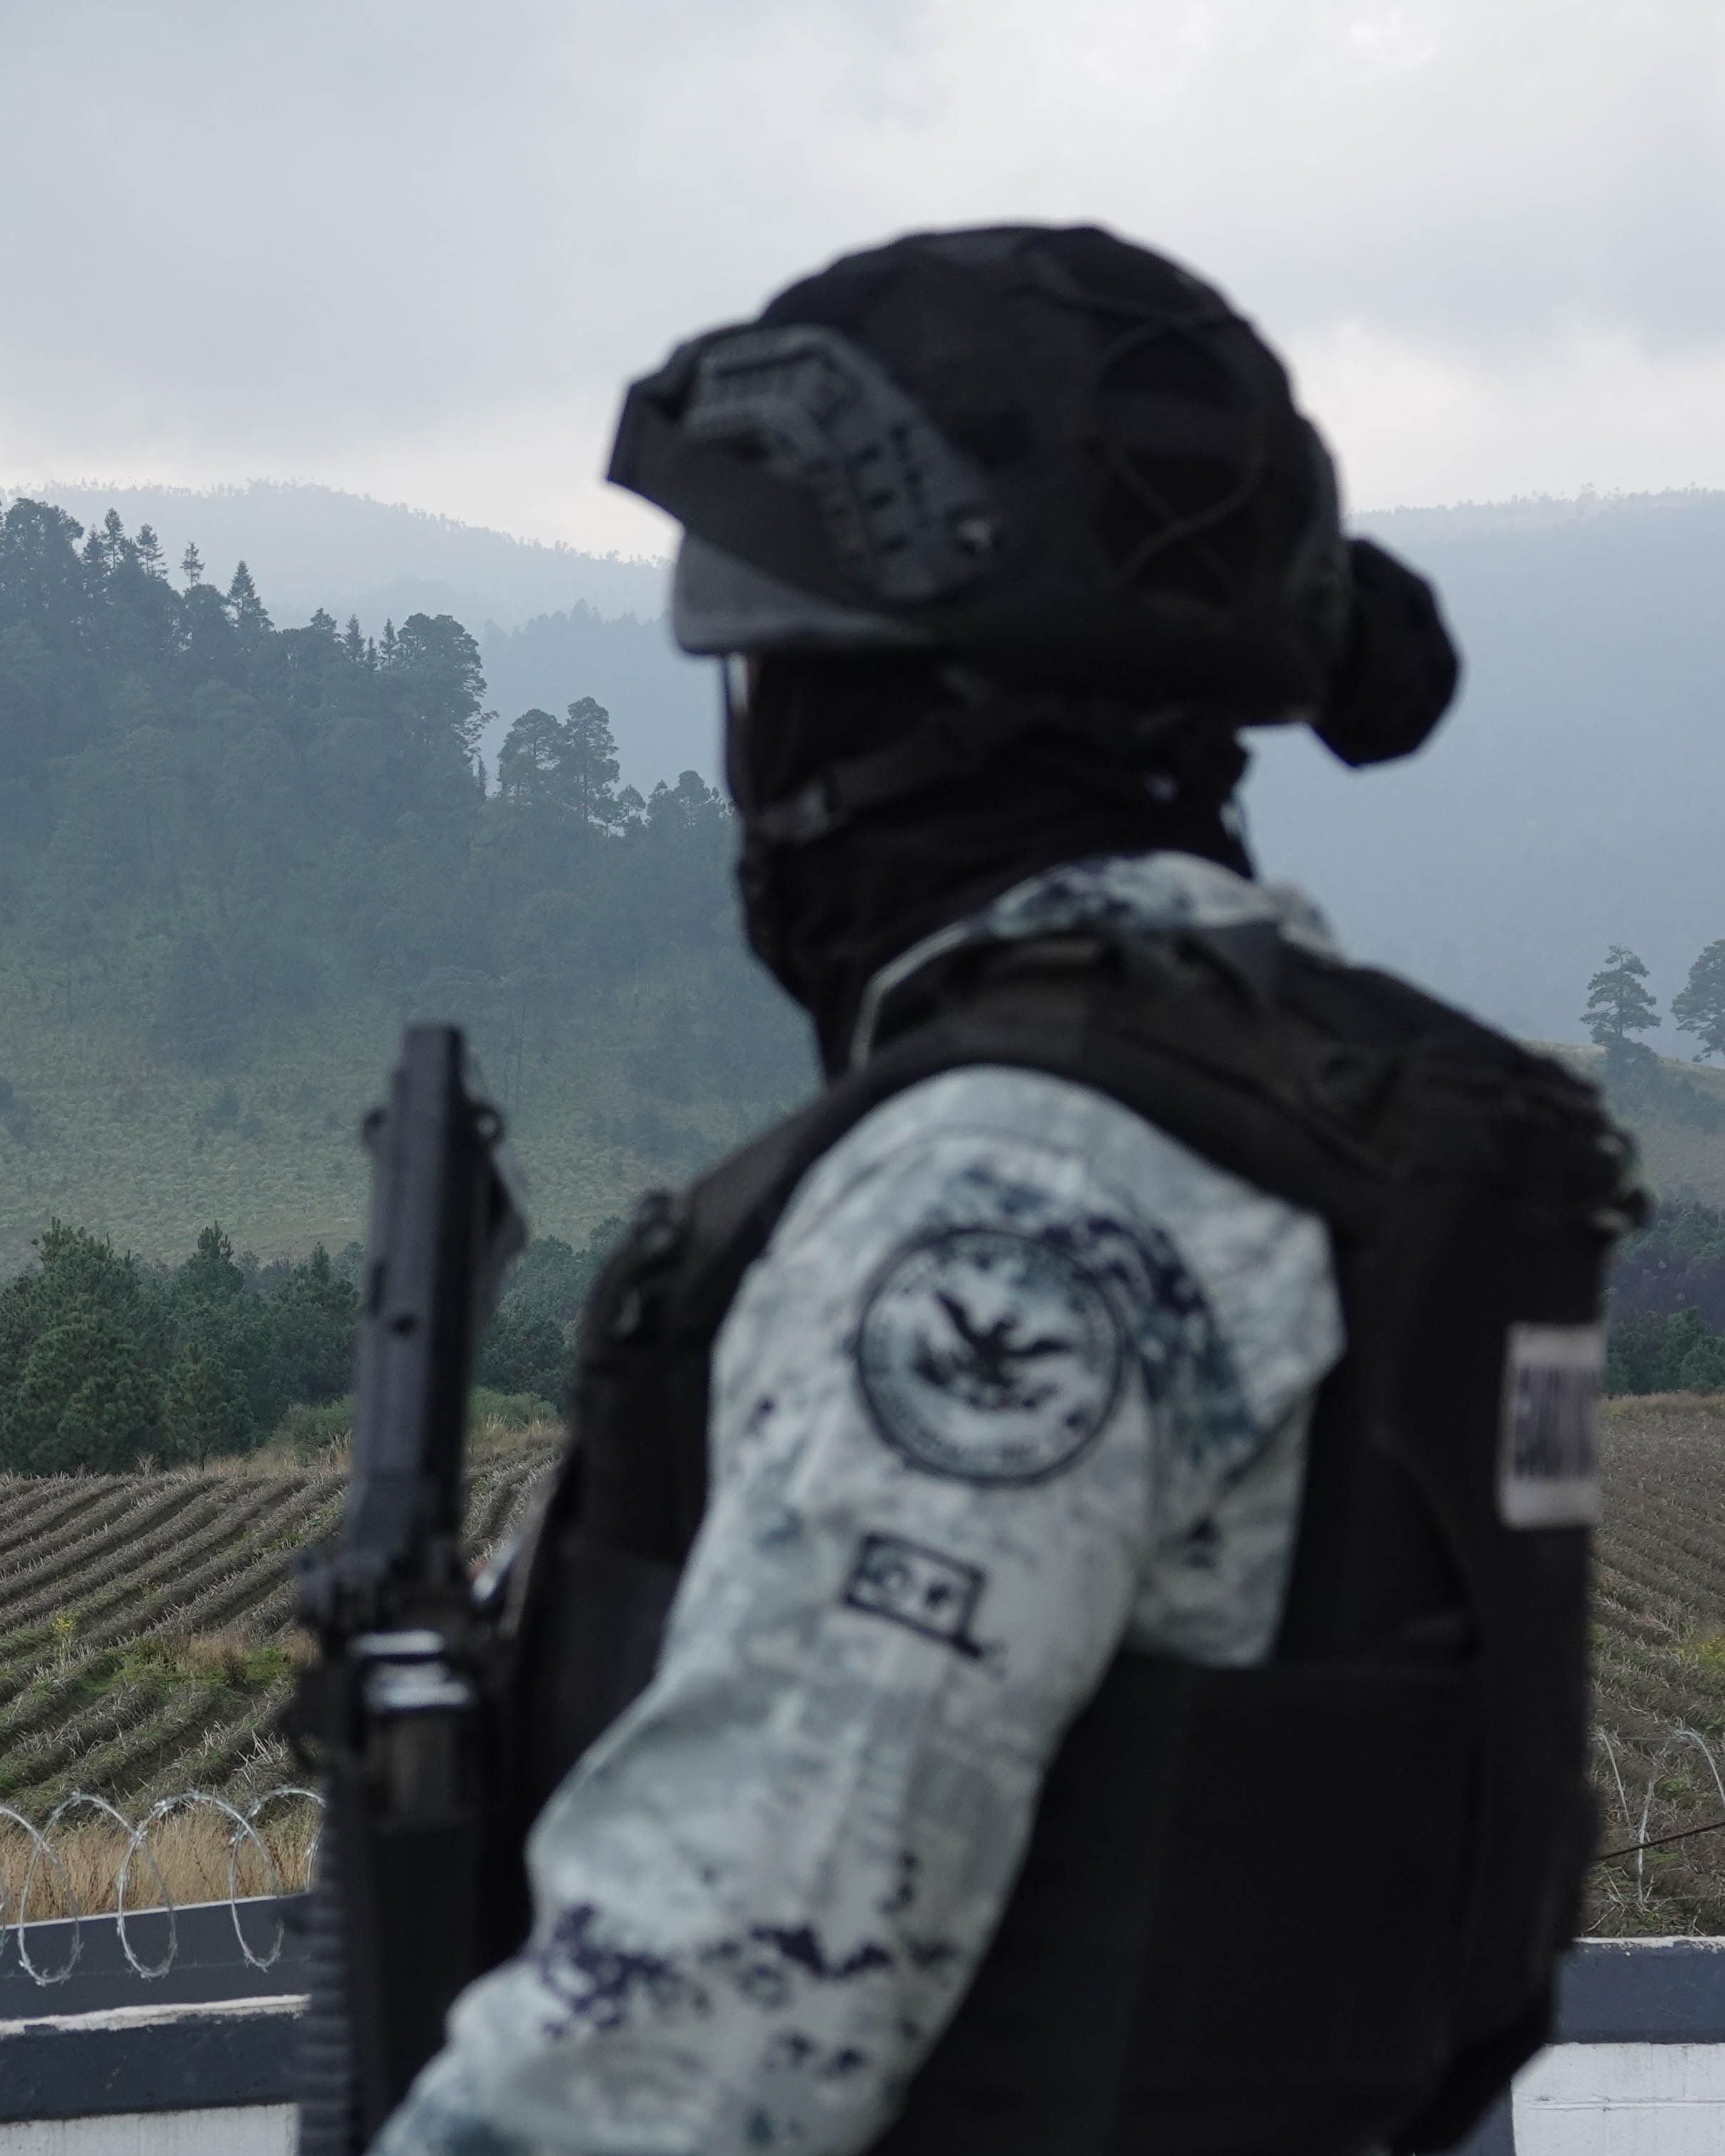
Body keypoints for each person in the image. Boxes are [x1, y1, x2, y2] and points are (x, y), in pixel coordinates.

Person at [376, 226, 1643, 2155]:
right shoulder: (1349, 1135)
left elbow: (698, 2031)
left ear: (864, 715)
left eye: (765, 672)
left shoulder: (1019, 1195)